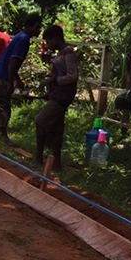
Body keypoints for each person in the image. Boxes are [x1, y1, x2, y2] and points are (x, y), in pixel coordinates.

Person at [0, 13, 44, 143]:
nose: (39, 30)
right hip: (2, 75)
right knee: (4, 107)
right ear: (31, 26)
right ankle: (3, 136)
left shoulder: (20, 36)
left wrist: (16, 79)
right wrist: (12, 80)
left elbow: (12, 62)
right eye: (37, 26)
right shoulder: (24, 39)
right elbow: (13, 63)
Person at [33, 25, 79, 171]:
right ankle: (56, 163)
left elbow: (73, 76)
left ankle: (39, 156)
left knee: (40, 121)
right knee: (57, 128)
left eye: (48, 41)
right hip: (58, 93)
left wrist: (55, 81)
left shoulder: (68, 53)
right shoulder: (60, 53)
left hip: (63, 95)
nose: (47, 44)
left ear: (56, 38)